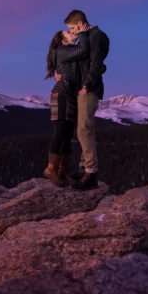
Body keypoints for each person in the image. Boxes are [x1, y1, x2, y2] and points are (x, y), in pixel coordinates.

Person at [63, 9, 110, 189]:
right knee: (83, 129)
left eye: (72, 28)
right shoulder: (90, 37)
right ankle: (84, 168)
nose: (72, 32)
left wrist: (86, 85)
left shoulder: (97, 36)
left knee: (84, 129)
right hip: (84, 87)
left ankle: (91, 175)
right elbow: (93, 63)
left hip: (89, 89)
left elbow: (96, 64)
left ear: (80, 23)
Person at [44, 28, 90, 187]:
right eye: (68, 33)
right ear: (63, 41)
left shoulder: (69, 51)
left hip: (70, 96)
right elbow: (84, 49)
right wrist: (83, 32)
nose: (72, 32)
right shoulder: (62, 50)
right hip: (61, 95)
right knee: (61, 132)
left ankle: (63, 171)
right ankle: (51, 169)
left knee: (68, 134)